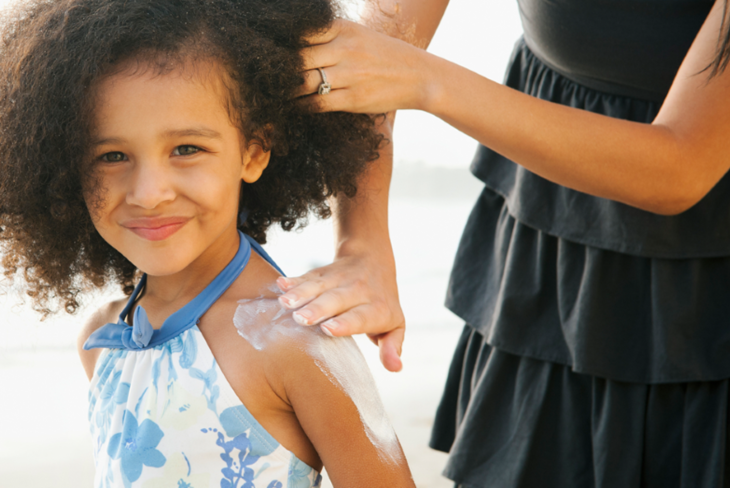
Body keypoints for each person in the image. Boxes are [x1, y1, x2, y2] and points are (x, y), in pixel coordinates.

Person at [0, 0, 417, 486]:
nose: (149, 193)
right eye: (112, 155)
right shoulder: (102, 342)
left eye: (187, 149)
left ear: (253, 152)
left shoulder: (298, 341)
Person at [274, 0, 730, 486]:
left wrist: (428, 81)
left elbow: (680, 167)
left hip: (709, 292)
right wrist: (362, 247)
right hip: (542, 255)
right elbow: (370, 57)